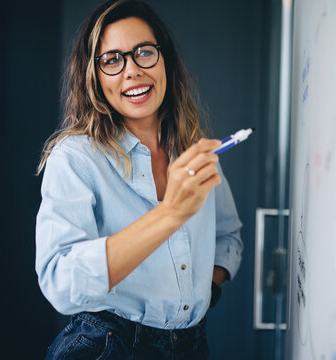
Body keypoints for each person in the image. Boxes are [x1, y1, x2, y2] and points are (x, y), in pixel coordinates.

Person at [35, 0, 243, 358]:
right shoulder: (74, 158)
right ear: (95, 77)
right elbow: (60, 282)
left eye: (144, 52)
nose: (131, 70)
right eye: (112, 60)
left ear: (166, 62)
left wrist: (202, 292)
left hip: (191, 346)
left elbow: (227, 236)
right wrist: (170, 215)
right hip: (109, 346)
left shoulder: (193, 149)